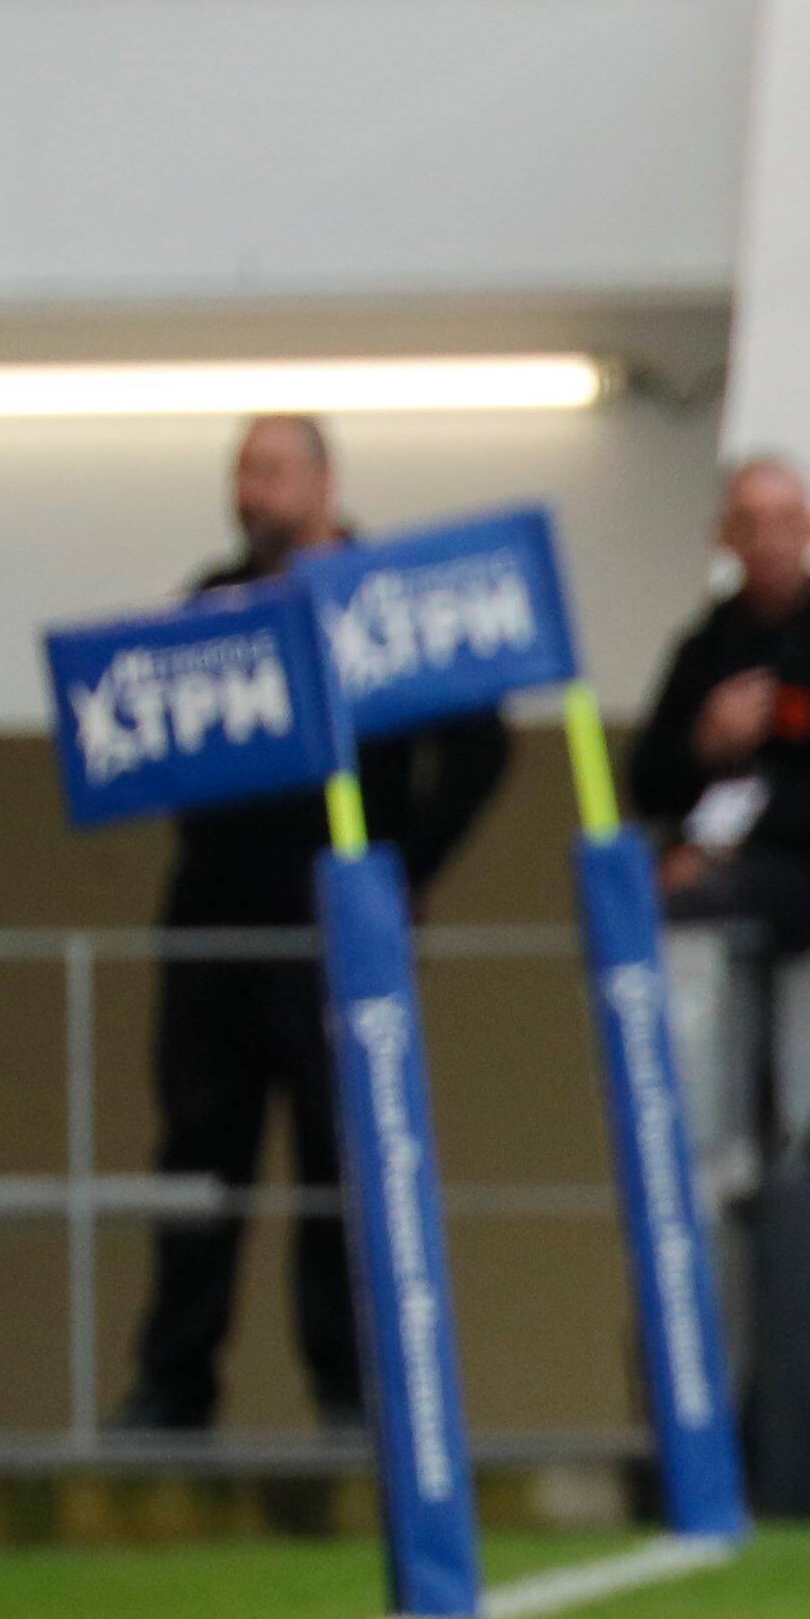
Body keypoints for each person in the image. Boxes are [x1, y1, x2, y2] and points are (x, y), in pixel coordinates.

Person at [121, 416, 509, 1438]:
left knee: (343, 1160)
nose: (253, 491)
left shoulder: (382, 605)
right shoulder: (209, 607)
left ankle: (350, 1393)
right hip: (215, 926)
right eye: (242, 472)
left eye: (273, 472)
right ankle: (174, 1383)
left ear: (325, 484)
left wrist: (403, 869)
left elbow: (482, 747)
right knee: (199, 1159)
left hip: (337, 924)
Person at [623, 457, 810, 962]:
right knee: (613, 895)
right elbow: (646, 781)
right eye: (751, 524)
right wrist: (704, 744)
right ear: (724, 536)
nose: (769, 541)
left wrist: (717, 854)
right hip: (685, 855)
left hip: (799, 868)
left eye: (785, 523)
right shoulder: (705, 646)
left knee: (707, 903)